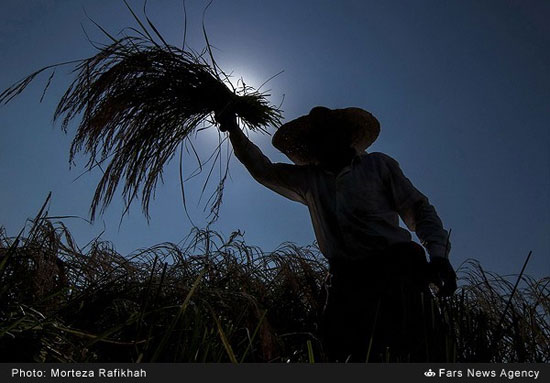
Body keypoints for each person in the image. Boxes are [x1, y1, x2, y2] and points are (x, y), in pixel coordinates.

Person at [216, 106, 457, 362]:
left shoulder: (377, 165)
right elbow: (264, 171)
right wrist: (234, 130)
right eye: (318, 137)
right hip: (346, 283)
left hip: (397, 272)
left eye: (330, 134)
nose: (324, 141)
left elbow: (419, 210)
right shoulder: (309, 180)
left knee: (419, 351)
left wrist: (438, 256)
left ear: (344, 136)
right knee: (345, 356)